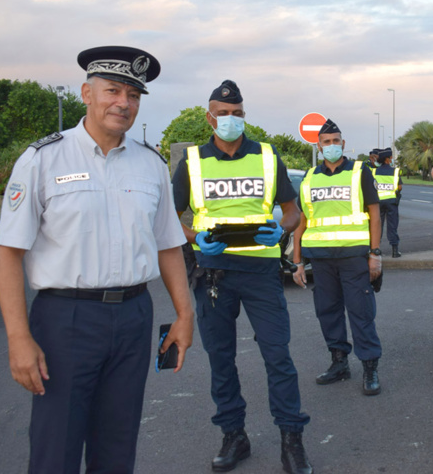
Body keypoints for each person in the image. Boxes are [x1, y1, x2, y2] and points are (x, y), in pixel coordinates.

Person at [0, 46, 194, 474]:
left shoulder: (151, 164)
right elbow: (9, 252)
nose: (123, 102)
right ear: (87, 93)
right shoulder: (43, 158)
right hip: (65, 319)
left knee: (117, 448)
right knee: (56, 450)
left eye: (133, 95)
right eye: (113, 91)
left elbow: (168, 245)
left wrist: (184, 314)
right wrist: (17, 338)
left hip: (134, 316)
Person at [171, 80, 312, 473]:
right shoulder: (193, 162)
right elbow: (166, 217)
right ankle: (234, 435)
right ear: (209, 117)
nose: (229, 120)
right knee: (221, 359)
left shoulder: (267, 156)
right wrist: (195, 237)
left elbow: (292, 210)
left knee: (278, 356)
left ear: (243, 116)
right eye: (222, 114)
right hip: (213, 274)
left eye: (236, 114)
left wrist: (281, 229)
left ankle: (291, 438)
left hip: (261, 272)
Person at [292, 119, 384, 396]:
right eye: (326, 142)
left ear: (343, 144)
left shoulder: (359, 172)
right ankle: (339, 363)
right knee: (327, 313)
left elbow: (375, 214)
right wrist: (297, 260)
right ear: (318, 146)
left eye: (335, 141)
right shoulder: (310, 178)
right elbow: (301, 220)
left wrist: (375, 254)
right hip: (320, 260)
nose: (331, 146)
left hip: (354, 257)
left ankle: (370, 367)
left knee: (361, 313)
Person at [373, 147, 403, 257]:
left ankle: (376, 250)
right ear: (387, 159)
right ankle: (395, 251)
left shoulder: (374, 171)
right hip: (391, 202)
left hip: (378, 202)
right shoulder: (394, 171)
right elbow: (399, 187)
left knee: (377, 226)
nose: (392, 159)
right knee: (392, 226)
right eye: (391, 157)